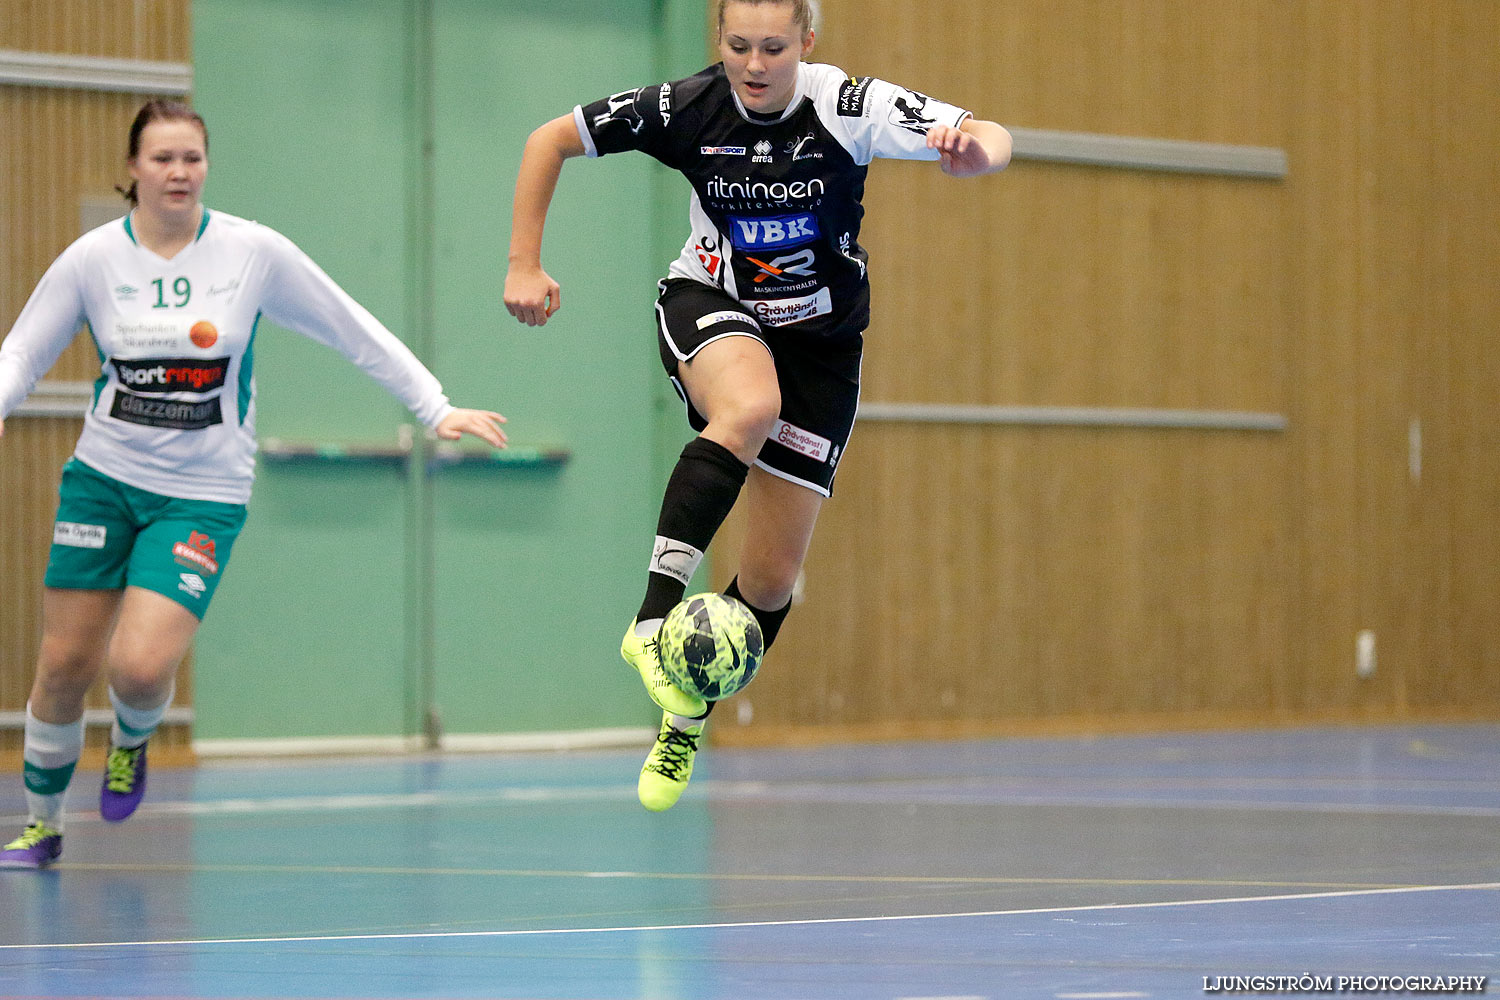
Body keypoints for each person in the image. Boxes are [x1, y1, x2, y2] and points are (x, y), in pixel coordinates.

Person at [503, 0, 1010, 811]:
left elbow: (990, 135)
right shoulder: (688, 107)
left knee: (772, 579)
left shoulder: (847, 107)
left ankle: (683, 714)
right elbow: (549, 140)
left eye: (774, 47)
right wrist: (523, 264)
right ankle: (650, 622)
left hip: (822, 348)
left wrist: (972, 153)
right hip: (710, 298)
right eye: (738, 45)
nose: (754, 64)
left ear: (807, 42)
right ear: (720, 41)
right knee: (747, 406)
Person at [0, 100, 508, 869]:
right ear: (132, 169)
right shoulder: (93, 260)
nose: (178, 173)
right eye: (163, 158)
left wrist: (434, 406)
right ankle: (42, 825)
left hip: (203, 493)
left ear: (206, 166)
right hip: (103, 480)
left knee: (137, 668)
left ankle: (131, 740)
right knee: (64, 666)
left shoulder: (252, 254)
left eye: (191, 159)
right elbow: (22, 352)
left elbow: (350, 326)